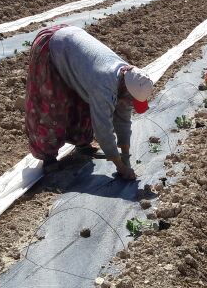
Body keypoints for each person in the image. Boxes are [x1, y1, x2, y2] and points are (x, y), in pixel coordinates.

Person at [24, 25, 154, 180]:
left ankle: (82, 144)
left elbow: (123, 118)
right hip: (53, 47)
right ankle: (48, 157)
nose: (129, 103)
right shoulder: (104, 85)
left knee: (82, 102)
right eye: (131, 100)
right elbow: (103, 129)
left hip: (73, 50)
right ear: (127, 90)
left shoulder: (128, 77)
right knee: (52, 105)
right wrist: (120, 167)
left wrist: (125, 154)